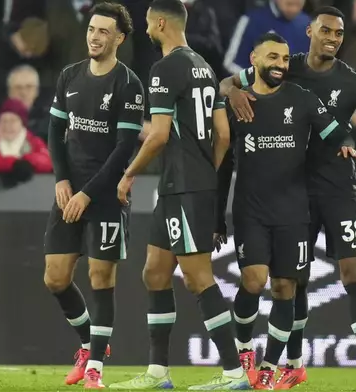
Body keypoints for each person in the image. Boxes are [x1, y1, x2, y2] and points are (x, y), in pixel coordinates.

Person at [219, 6, 356, 390]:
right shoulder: (286, 66)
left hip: (339, 188)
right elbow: (227, 82)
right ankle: (294, 363)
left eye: (339, 34)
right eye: (326, 31)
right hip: (297, 190)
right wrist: (233, 91)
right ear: (310, 32)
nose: (333, 39)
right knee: (295, 280)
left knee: (353, 272)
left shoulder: (354, 80)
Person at [108, 0, 247, 390]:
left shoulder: (165, 68)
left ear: (161, 23)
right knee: (155, 271)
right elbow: (222, 134)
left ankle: (236, 373)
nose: (147, 31)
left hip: (183, 185)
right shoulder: (204, 67)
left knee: (198, 277)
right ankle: (157, 373)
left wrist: (128, 174)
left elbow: (158, 134)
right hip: (182, 185)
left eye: (150, 25)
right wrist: (208, 168)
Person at [217, 31, 354, 390]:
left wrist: (346, 143)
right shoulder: (239, 100)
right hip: (251, 210)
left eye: (283, 58)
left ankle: (267, 368)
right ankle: (244, 347)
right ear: (254, 60)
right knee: (253, 280)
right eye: (271, 58)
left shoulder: (302, 99)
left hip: (294, 211)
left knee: (284, 288)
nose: (279, 64)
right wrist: (229, 90)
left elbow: (334, 132)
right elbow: (219, 90)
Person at [43, 3, 143, 389]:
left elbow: (123, 150)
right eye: (91, 29)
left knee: (101, 277)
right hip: (70, 190)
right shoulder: (69, 76)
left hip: (103, 195)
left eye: (103, 31)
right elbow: (55, 132)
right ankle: (89, 343)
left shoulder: (129, 84)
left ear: (119, 38)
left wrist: (86, 193)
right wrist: (61, 179)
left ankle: (96, 370)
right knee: (55, 278)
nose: (94, 36)